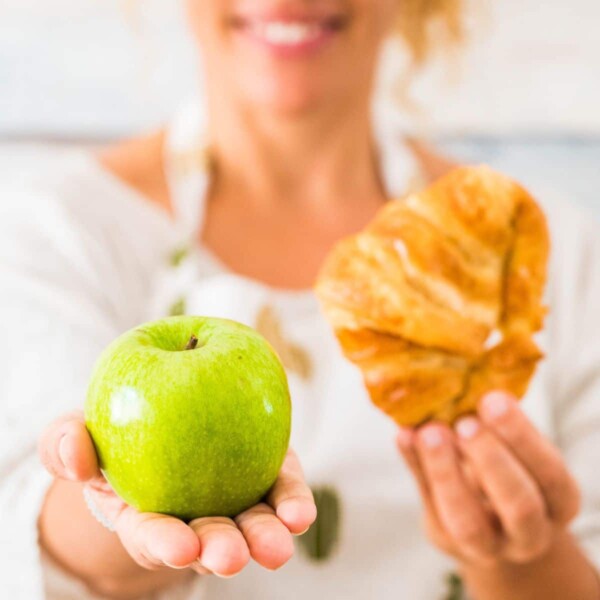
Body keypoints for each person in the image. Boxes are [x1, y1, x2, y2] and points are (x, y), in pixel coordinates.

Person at [1, 1, 600, 598]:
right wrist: (116, 504)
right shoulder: (56, 230)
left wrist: (519, 557)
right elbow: (35, 533)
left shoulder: (542, 252)